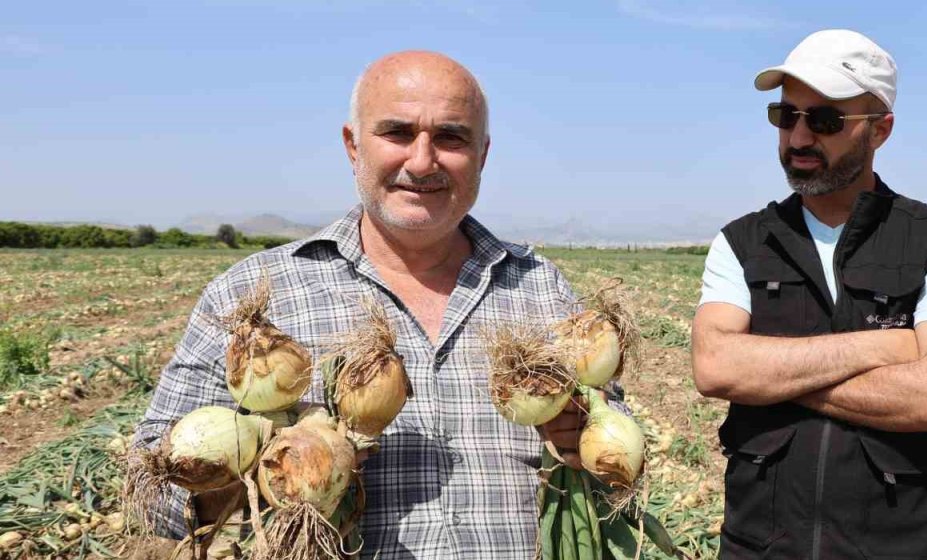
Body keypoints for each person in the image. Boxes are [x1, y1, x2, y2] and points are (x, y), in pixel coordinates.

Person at [134, 51, 590, 559]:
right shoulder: (249, 292)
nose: (422, 161)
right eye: (397, 133)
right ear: (353, 146)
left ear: (481, 156)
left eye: (450, 138)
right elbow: (157, 488)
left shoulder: (543, 289)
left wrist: (585, 437)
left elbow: (611, 455)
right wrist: (275, 453)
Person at [691, 30, 927, 559]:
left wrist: (771, 377)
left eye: (825, 120)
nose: (800, 138)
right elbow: (716, 367)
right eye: (787, 117)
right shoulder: (741, 242)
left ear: (880, 131)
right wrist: (882, 348)